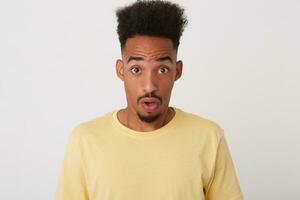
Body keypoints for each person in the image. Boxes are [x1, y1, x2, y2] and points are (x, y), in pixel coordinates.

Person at [55, 0, 243, 199]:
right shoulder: (85, 140)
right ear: (121, 70)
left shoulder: (209, 137)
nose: (150, 86)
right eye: (136, 69)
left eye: (162, 69)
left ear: (177, 71)